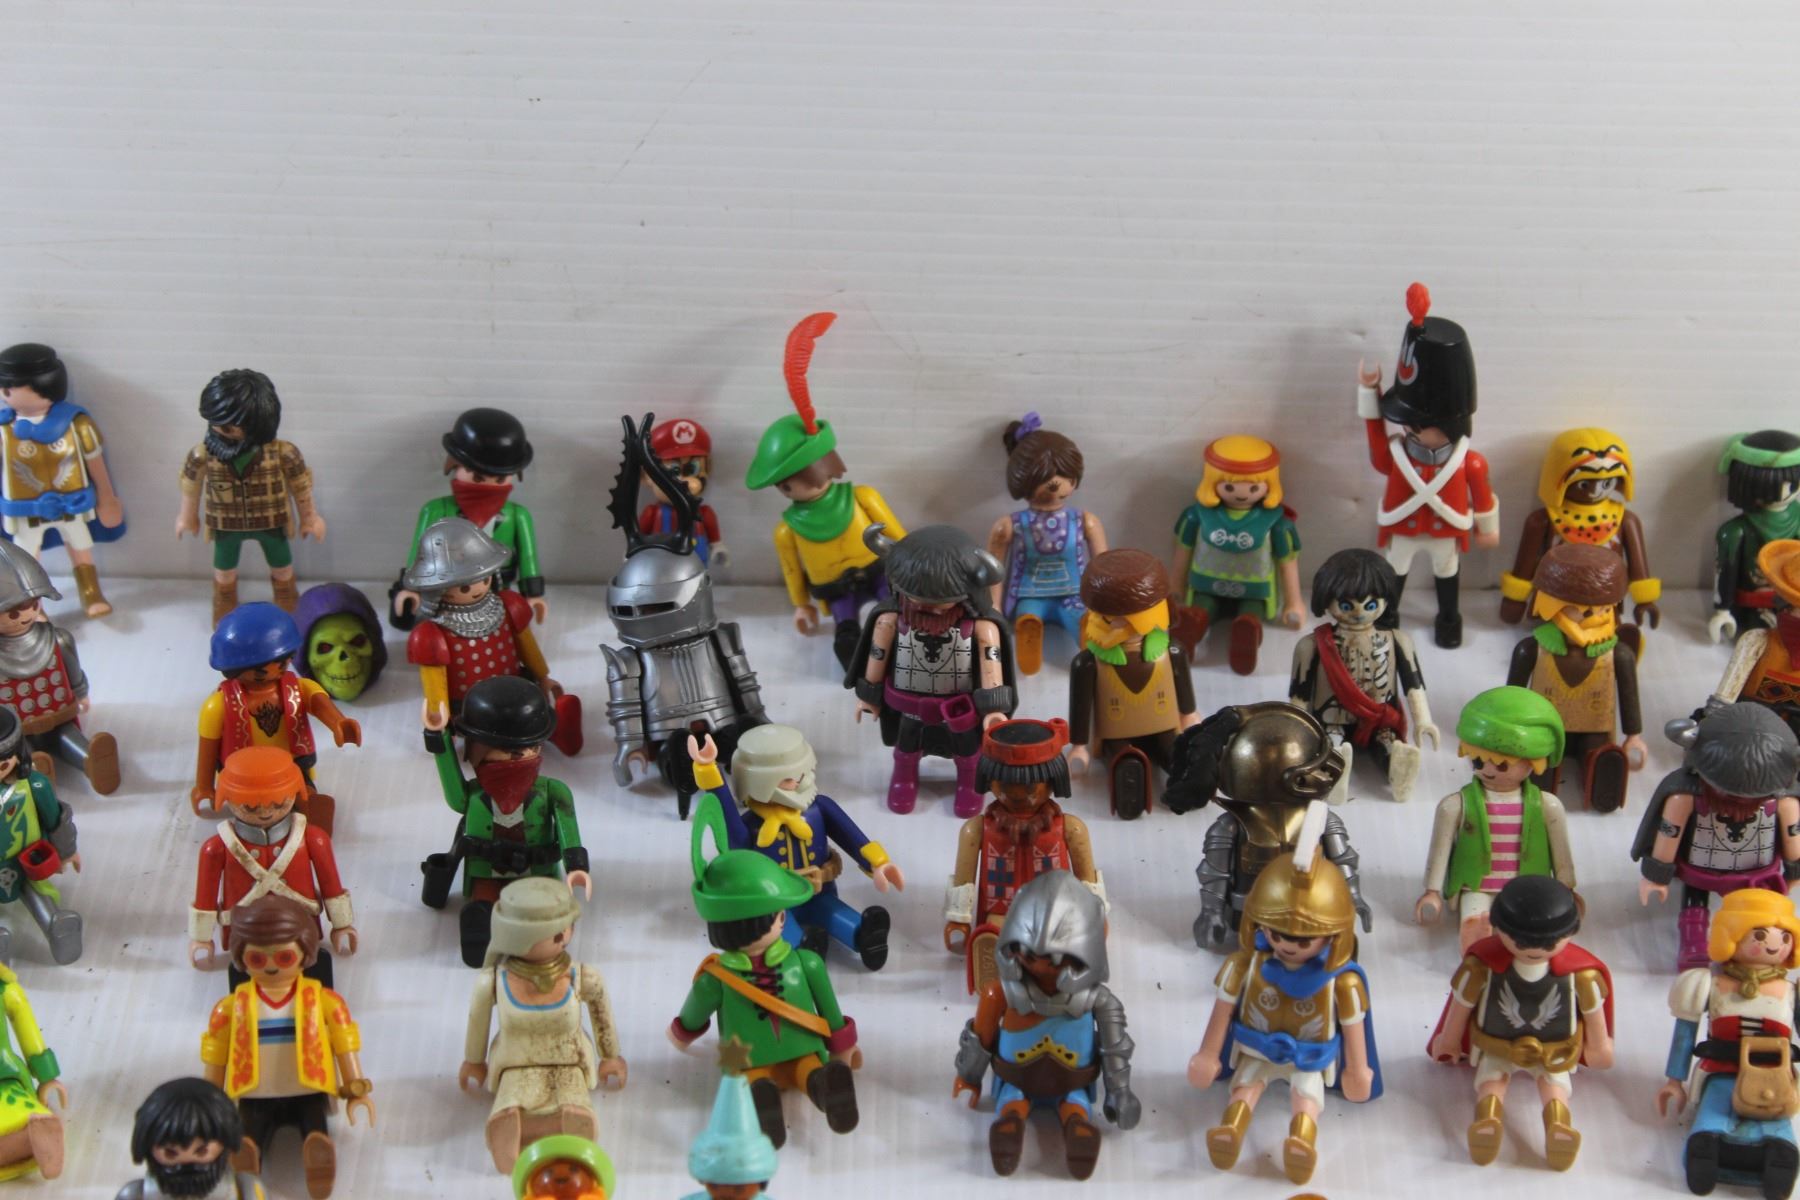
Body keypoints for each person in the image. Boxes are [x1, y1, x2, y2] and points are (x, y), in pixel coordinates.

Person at [176, 369, 325, 624]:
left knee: (282, 566)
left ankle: (286, 597)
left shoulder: (283, 453)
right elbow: (191, 486)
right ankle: (225, 599)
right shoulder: (203, 454)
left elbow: (301, 485)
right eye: (220, 422)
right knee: (224, 570)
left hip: (271, 520)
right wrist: (187, 516)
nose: (223, 429)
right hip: (226, 524)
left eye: (233, 425)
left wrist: (310, 517)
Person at [115, 1077, 265, 1200]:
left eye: (202, 1151)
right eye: (170, 1153)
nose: (187, 1166)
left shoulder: (246, 1190)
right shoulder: (136, 1195)